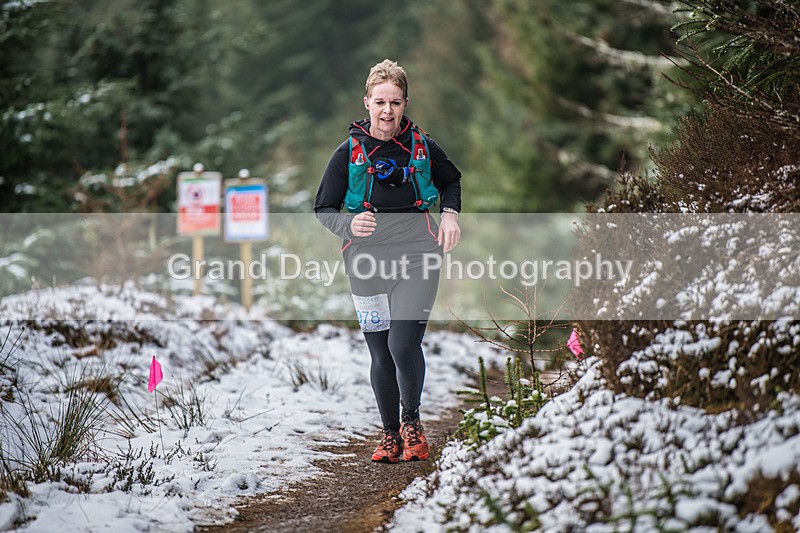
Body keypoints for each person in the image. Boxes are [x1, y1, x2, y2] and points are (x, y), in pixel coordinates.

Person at [314, 59, 462, 463]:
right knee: (379, 350)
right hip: (364, 263)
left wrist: (449, 214)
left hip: (419, 256)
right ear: (366, 102)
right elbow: (323, 208)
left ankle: (412, 423)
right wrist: (348, 224)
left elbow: (452, 180)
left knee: (402, 342)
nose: (387, 110)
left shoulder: (423, 145)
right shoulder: (346, 154)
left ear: (405, 103)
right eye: (380, 101)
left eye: (395, 102)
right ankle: (390, 435)